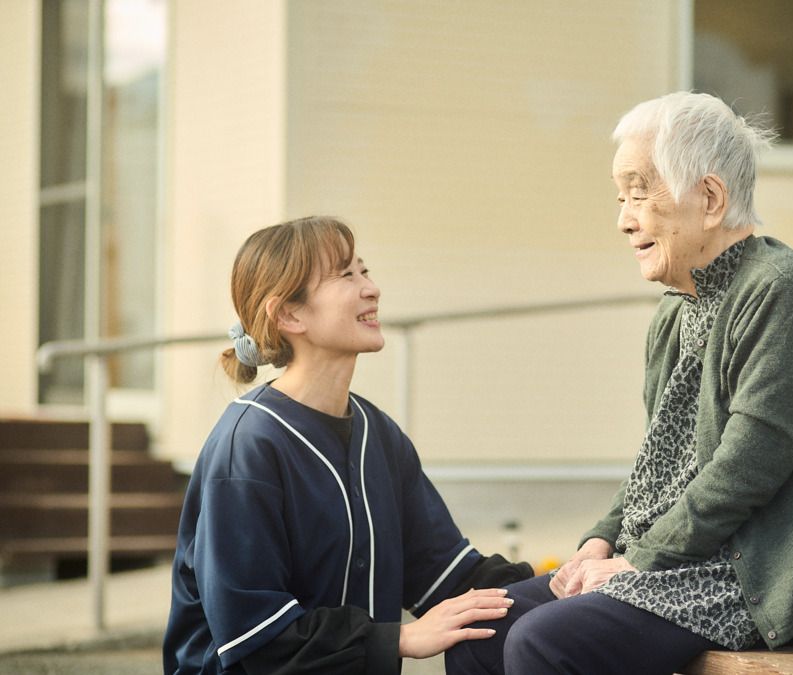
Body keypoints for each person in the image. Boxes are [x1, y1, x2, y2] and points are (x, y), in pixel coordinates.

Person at [445, 92, 793, 675]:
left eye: (640, 192)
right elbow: (655, 467)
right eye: (621, 197)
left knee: (539, 642)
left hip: (764, 573)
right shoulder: (676, 310)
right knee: (477, 635)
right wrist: (601, 541)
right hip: (679, 560)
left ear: (710, 199)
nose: (623, 218)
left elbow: (751, 464)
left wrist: (639, 561)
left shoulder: (780, 287)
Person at [163, 216, 532, 674]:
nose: (372, 288)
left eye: (365, 271)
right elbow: (255, 636)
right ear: (288, 314)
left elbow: (446, 575)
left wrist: (560, 587)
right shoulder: (247, 448)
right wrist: (400, 638)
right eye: (346, 275)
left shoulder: (379, 433)